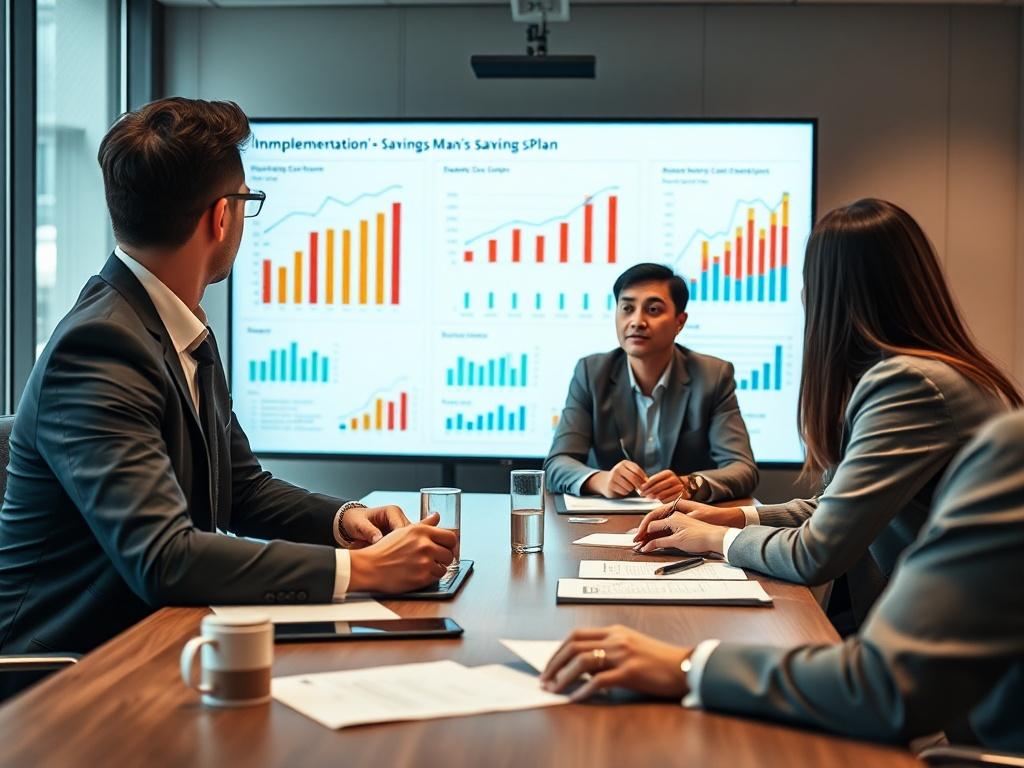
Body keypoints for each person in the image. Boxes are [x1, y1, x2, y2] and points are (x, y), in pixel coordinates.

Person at [0, 98, 456, 674]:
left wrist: (345, 523)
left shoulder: (175, 328)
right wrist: (364, 571)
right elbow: (162, 559)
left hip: (157, 643)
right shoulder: (98, 348)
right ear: (222, 217)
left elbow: (240, 488)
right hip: (67, 681)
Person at [631, 199, 1020, 627]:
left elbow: (816, 553)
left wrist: (715, 538)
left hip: (947, 647)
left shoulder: (909, 386)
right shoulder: (928, 372)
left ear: (827, 294)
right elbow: (832, 509)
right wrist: (731, 515)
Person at [541, 409, 1024, 751]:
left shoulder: (921, 396)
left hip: (959, 723)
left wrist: (689, 664)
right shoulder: (593, 370)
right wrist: (730, 519)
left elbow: (881, 683)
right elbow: (831, 507)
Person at [544, 263, 758, 503]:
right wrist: (601, 480)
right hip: (606, 521)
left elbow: (743, 469)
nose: (637, 321)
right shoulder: (591, 373)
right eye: (627, 308)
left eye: (653, 310)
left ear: (680, 322)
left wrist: (690, 484)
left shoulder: (712, 376)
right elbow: (557, 464)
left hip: (686, 523)